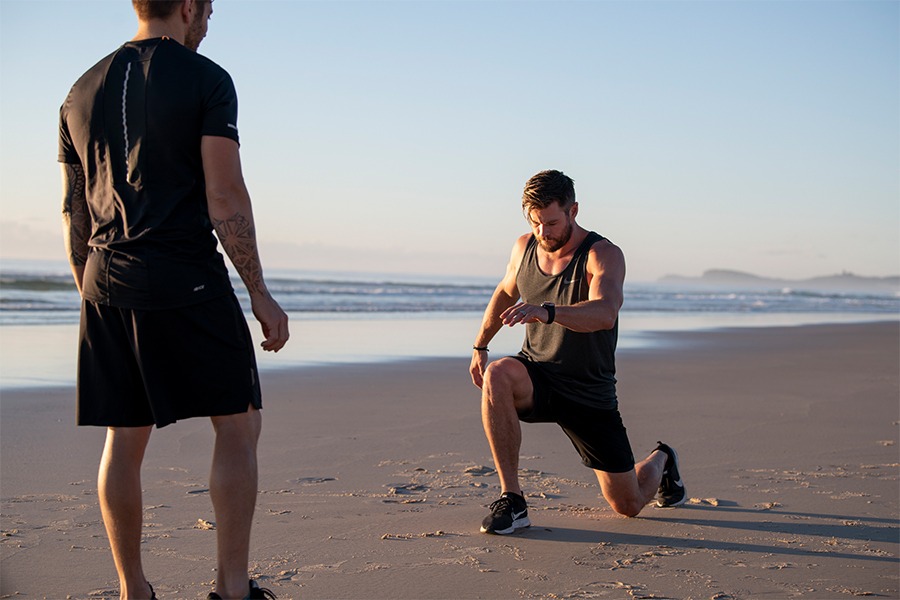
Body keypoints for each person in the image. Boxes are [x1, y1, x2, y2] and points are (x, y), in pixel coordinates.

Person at [58, 1, 288, 597]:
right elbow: (225, 196)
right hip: (187, 275)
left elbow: (75, 216)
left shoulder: (78, 91)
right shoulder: (207, 78)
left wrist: (94, 292)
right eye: (208, 10)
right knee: (238, 425)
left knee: (123, 439)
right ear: (187, 6)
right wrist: (259, 293)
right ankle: (232, 590)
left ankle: (135, 591)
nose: (208, 23)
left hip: (106, 282)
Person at [469, 169, 685, 535]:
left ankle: (662, 459)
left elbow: (605, 312)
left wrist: (548, 311)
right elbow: (506, 292)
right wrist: (480, 345)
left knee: (628, 505)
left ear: (574, 211)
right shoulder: (524, 247)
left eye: (552, 223)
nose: (544, 233)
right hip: (538, 375)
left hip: (588, 391)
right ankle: (513, 500)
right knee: (499, 373)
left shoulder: (603, 254)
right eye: (536, 223)